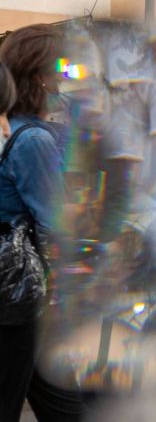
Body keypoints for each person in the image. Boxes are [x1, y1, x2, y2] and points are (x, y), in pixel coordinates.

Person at [0, 25, 80, 421]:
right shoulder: (33, 140)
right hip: (19, 294)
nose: (69, 74)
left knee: (63, 405)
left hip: (16, 292)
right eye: (63, 66)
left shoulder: (10, 128)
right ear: (40, 75)